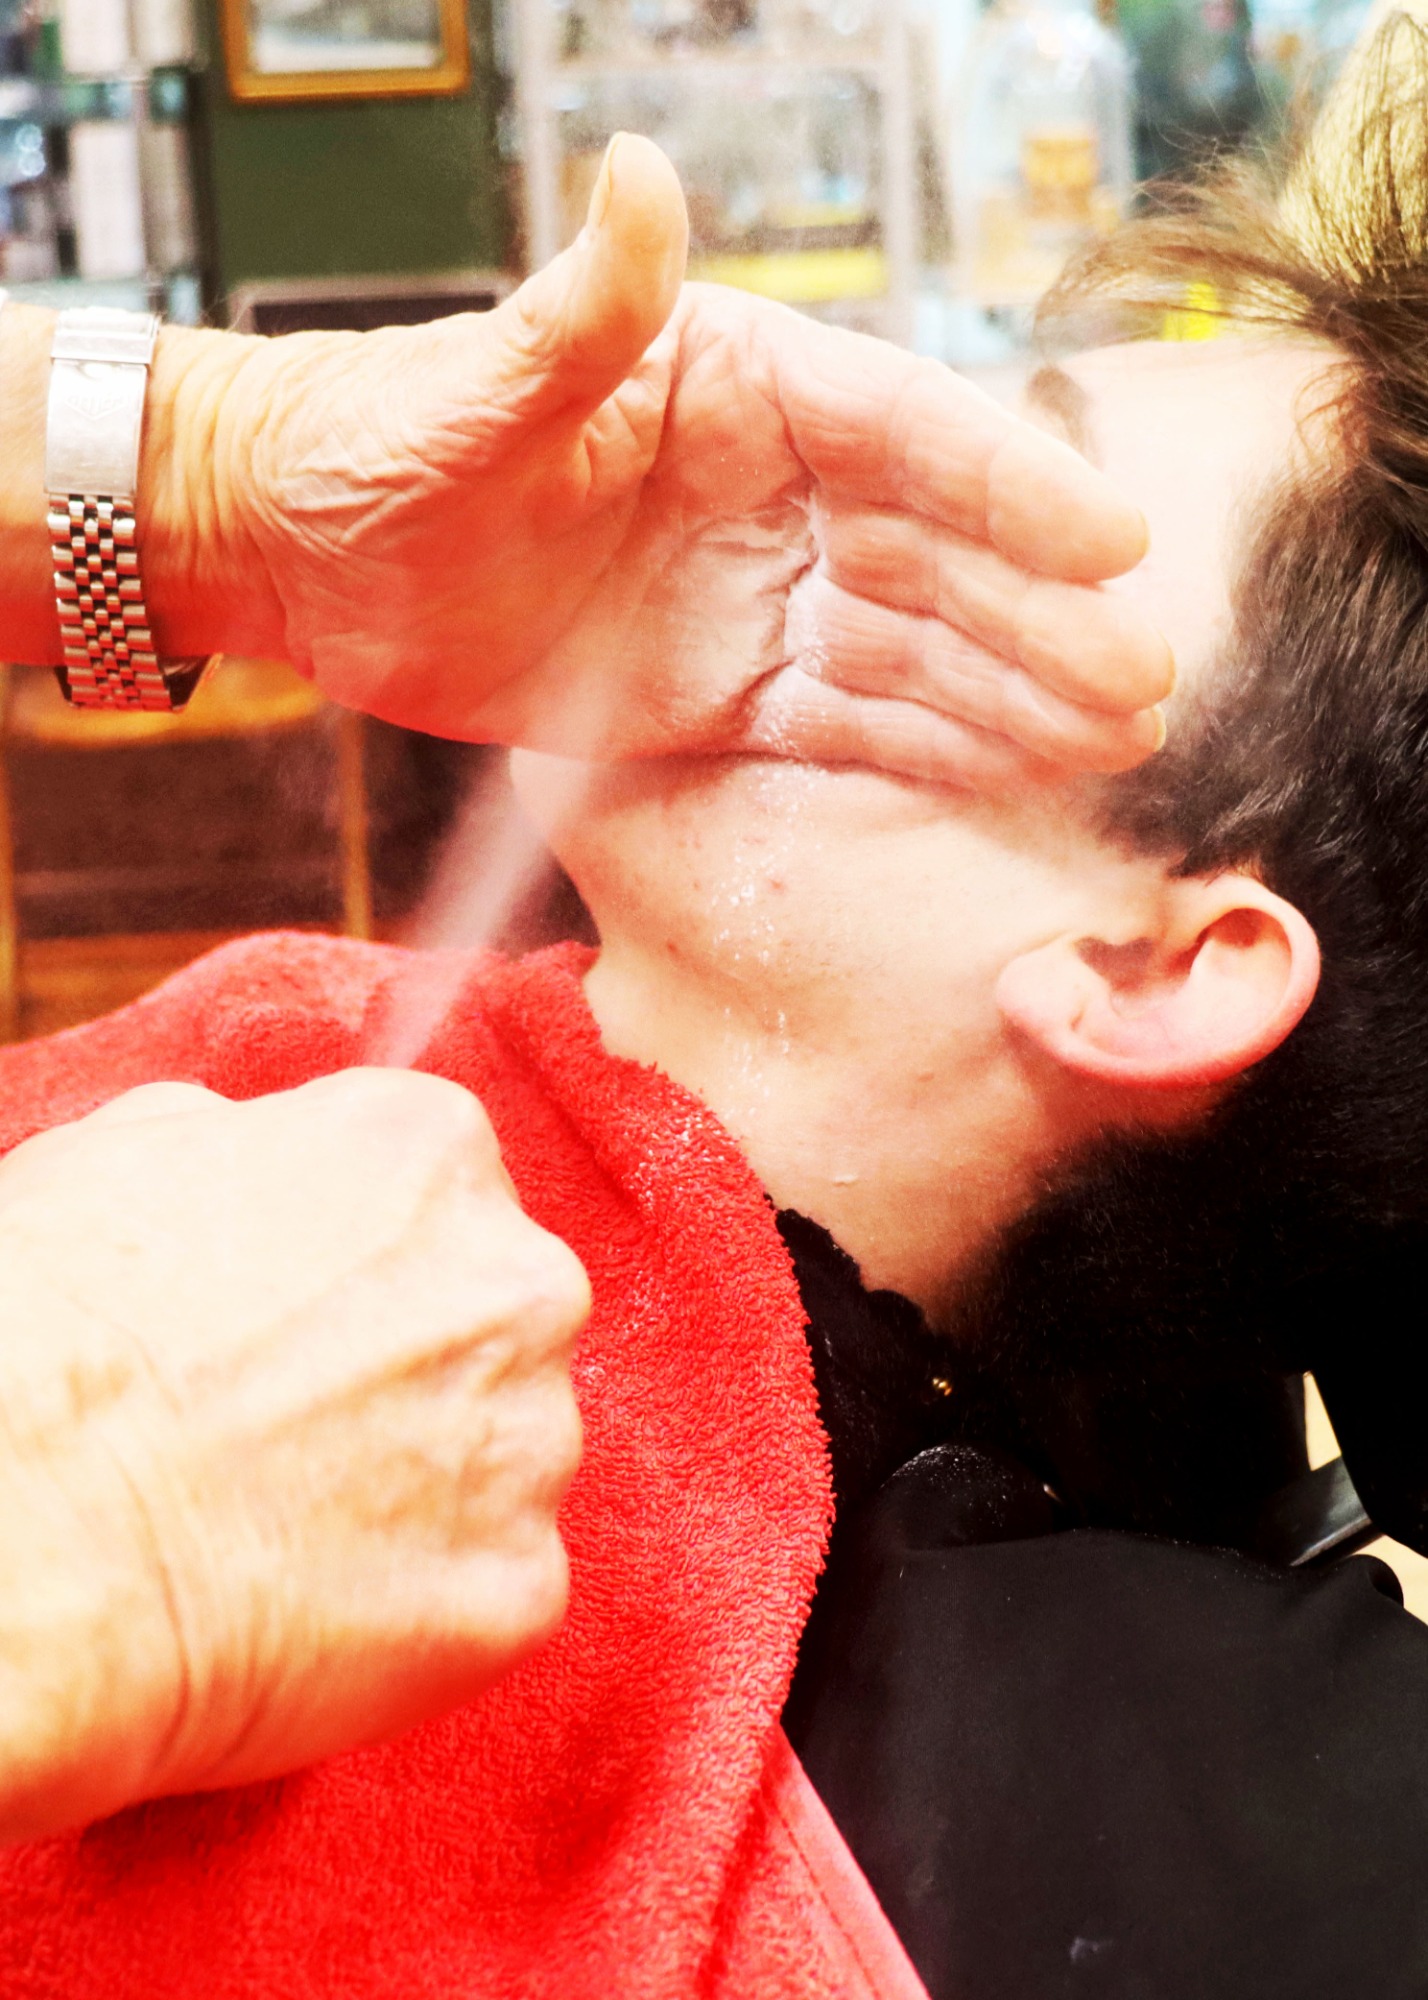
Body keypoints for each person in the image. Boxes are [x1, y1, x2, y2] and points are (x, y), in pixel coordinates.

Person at [7, 50, 1428, 1990]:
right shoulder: (283, 1070)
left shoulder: (974, 1803)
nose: (834, 475)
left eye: (1003, 518)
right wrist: (206, 473)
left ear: (1155, 968)